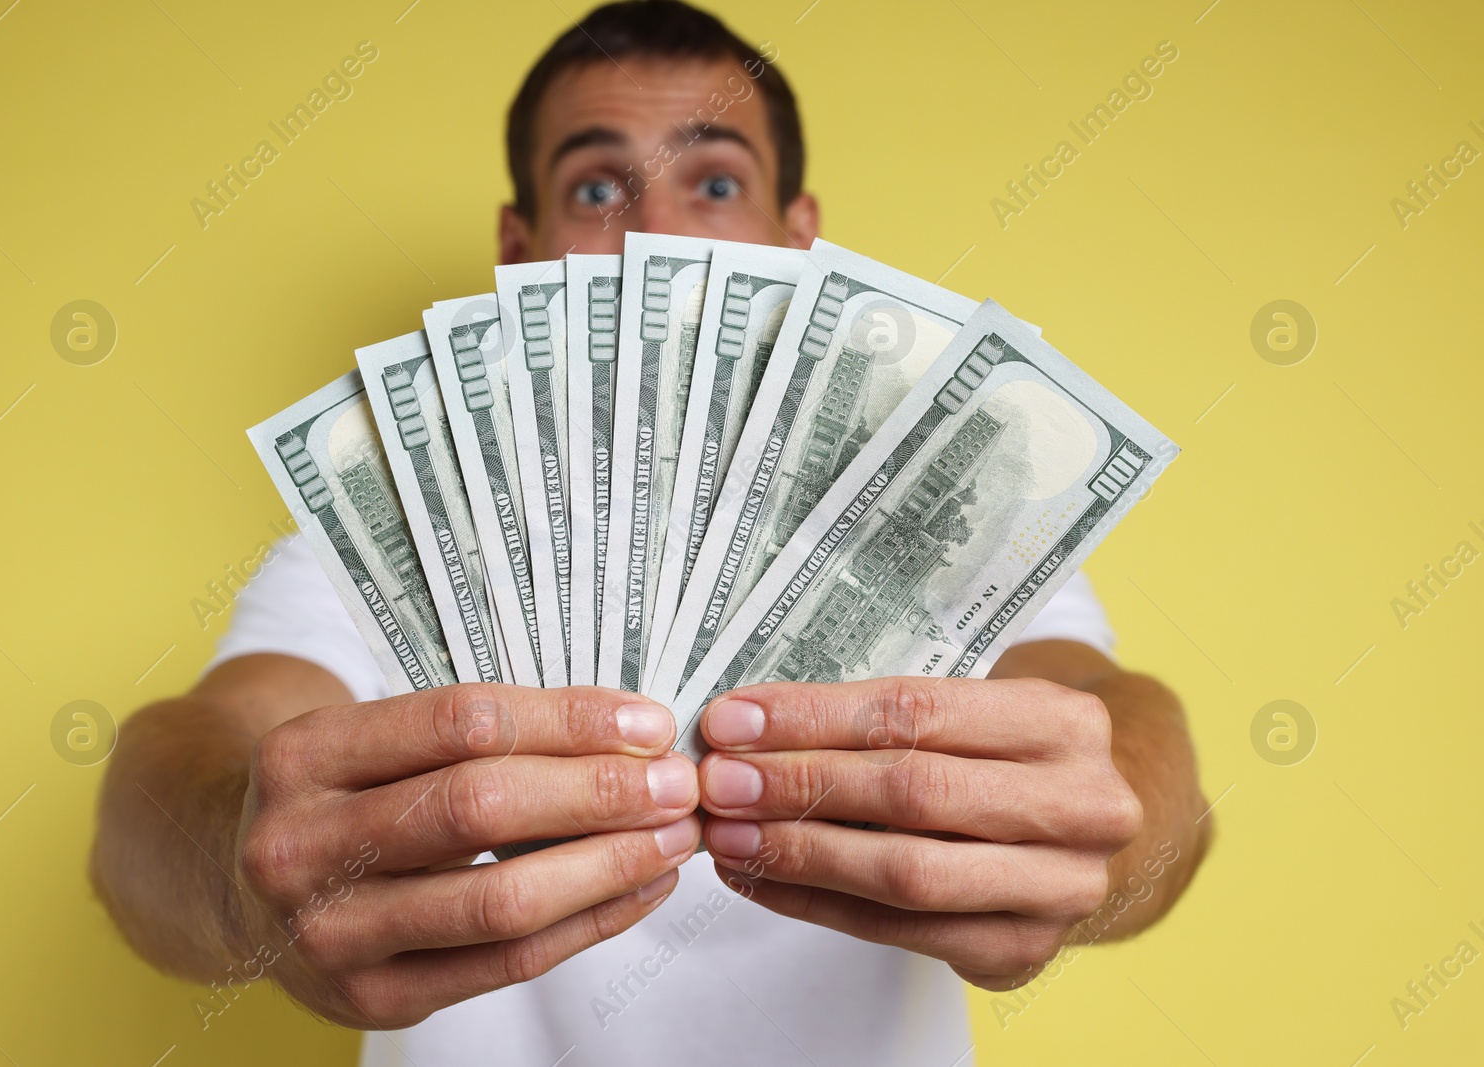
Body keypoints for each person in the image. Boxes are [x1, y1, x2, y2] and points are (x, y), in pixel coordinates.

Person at [90, 3, 1211, 1063]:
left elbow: (1120, 731)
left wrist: (1103, 834)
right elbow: (168, 782)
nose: (659, 236)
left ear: (799, 235)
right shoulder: (409, 536)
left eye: (715, 181)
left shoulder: (927, 525)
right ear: (520, 249)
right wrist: (240, 875)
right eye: (596, 189)